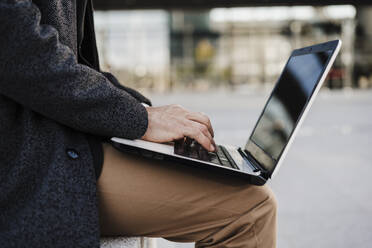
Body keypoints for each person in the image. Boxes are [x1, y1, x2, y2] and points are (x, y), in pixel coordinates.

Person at [0, 0, 277, 247]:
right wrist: (140, 120)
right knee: (251, 208)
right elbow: (19, 48)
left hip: (51, 134)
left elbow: (76, 63)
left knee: (247, 192)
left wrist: (145, 113)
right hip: (27, 152)